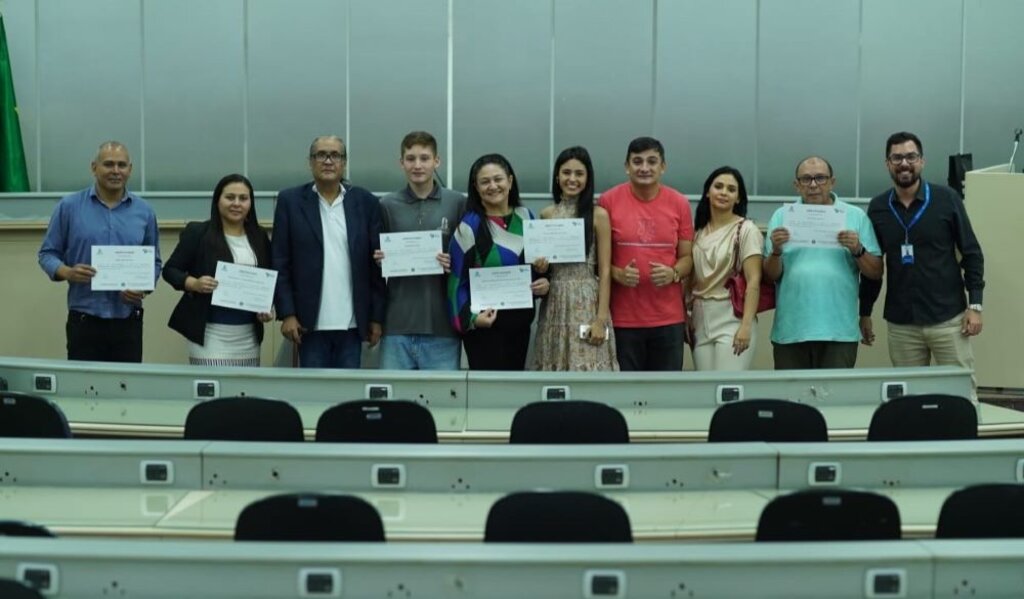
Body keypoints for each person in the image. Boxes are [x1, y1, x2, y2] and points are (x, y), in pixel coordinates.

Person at [860, 132, 984, 391]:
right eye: (897, 158)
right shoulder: (878, 207)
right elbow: (874, 267)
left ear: (922, 161)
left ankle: (965, 433)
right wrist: (865, 312)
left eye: (910, 156)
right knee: (910, 397)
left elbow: (971, 253)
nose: (904, 163)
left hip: (948, 320)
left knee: (960, 391)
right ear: (887, 164)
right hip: (902, 323)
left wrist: (975, 305)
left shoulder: (947, 199)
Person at [38, 141, 161, 362]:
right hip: (85, 320)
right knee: (84, 390)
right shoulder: (69, 207)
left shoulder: (144, 211)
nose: (116, 171)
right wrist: (67, 272)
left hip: (128, 320)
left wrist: (143, 287)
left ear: (130, 170)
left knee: (126, 389)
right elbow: (47, 254)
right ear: (94, 167)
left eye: (122, 165)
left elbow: (155, 262)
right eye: (108, 164)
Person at [272, 135, 385, 368]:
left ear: (344, 163)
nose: (328, 161)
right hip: (308, 324)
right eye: (321, 155)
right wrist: (287, 313)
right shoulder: (290, 202)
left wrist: (376, 318)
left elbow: (375, 266)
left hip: (353, 325)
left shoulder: (366, 202)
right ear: (310, 162)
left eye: (335, 155)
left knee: (348, 398)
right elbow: (280, 262)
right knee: (315, 396)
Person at [763, 156, 882, 369]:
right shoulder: (782, 216)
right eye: (806, 179)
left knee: (835, 399)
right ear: (796, 185)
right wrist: (776, 251)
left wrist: (858, 249)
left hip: (839, 331)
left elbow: (875, 272)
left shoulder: (855, 216)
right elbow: (770, 275)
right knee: (792, 400)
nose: (813, 185)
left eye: (820, 178)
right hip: (792, 330)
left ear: (832, 182)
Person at [447, 153, 550, 370]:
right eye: (485, 182)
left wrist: (543, 279)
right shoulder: (469, 227)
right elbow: (456, 283)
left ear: (510, 181)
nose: (493, 186)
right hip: (485, 328)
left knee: (514, 392)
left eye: (498, 179)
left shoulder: (526, 217)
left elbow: (536, 269)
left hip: (521, 325)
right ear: (475, 187)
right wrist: (473, 320)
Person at [599, 136, 693, 371]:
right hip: (622, 319)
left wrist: (673, 272)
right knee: (625, 394)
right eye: (637, 161)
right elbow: (597, 261)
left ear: (663, 167)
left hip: (668, 319)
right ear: (626, 166)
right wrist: (618, 274)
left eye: (652, 162)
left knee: (666, 395)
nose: (644, 168)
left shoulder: (680, 203)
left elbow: (688, 258)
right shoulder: (608, 201)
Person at [375, 131, 465, 370]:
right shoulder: (386, 205)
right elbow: (373, 262)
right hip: (396, 327)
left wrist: (453, 262)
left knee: (442, 405)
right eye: (411, 158)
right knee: (393, 404)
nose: (417, 165)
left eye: (424, 158)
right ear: (401, 162)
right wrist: (379, 259)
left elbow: (469, 261)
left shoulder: (457, 202)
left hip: (443, 328)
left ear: (437, 161)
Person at [162, 174, 273, 366]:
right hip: (209, 333)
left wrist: (267, 307)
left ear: (251, 203)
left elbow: (269, 279)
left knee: (244, 393)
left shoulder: (259, 236)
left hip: (248, 334)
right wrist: (194, 284)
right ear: (217, 200)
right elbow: (170, 270)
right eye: (230, 197)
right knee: (214, 392)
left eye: (243, 198)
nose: (236, 203)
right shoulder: (198, 232)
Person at [533, 146, 618, 371]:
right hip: (555, 302)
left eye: (579, 174)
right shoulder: (547, 214)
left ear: (588, 178)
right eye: (566, 172)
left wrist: (600, 320)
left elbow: (606, 271)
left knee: (589, 366)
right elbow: (544, 267)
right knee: (556, 369)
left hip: (587, 299)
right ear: (557, 176)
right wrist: (542, 267)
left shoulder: (598, 215)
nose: (572, 179)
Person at [688, 166, 763, 371]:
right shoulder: (697, 232)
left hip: (732, 317)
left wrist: (746, 325)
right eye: (718, 186)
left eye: (731, 189)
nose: (723, 192)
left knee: (728, 388)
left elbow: (754, 281)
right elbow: (690, 280)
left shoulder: (746, 230)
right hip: (700, 317)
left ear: (738, 198)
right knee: (705, 391)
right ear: (707, 191)